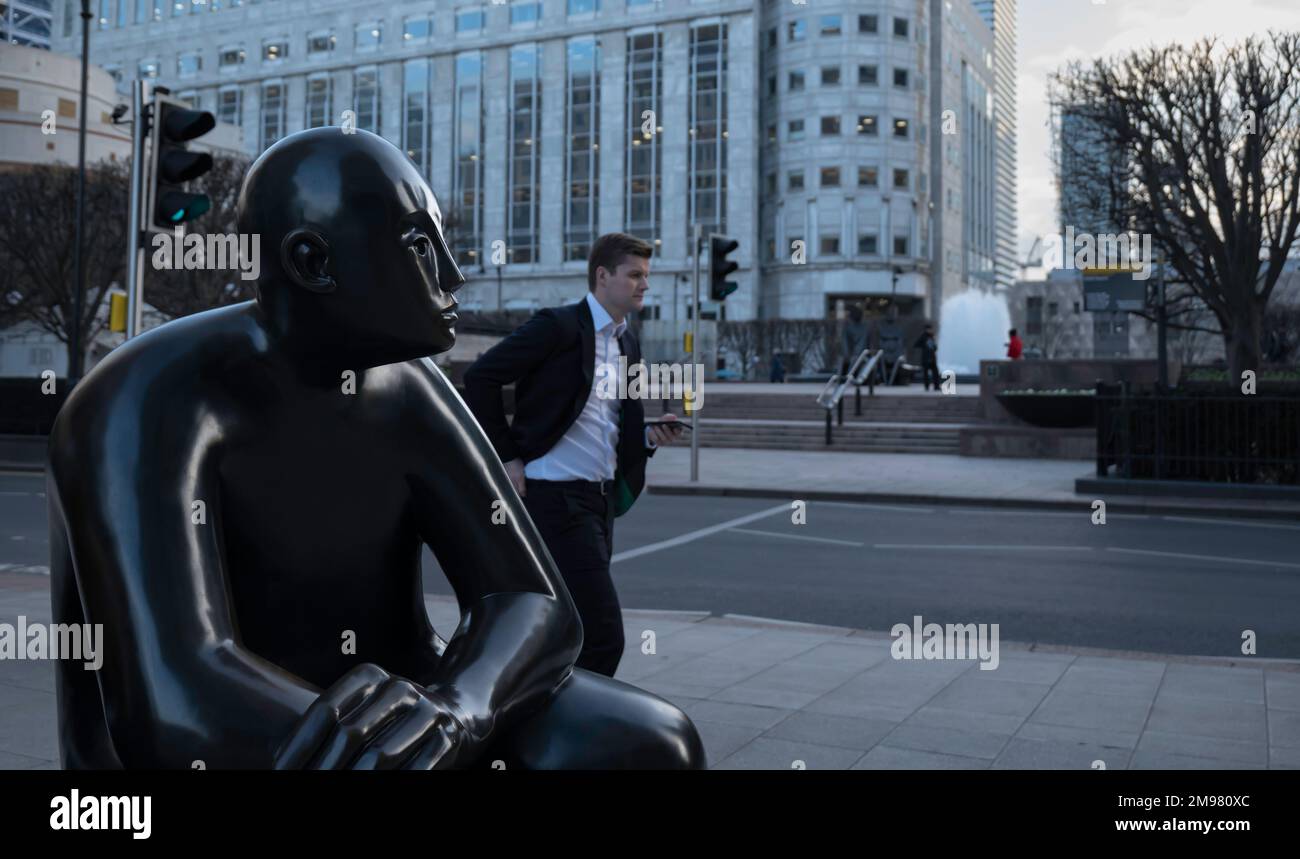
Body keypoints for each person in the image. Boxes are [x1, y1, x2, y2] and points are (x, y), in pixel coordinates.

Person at [47, 129, 703, 770]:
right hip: (235, 727)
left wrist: (459, 706)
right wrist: (363, 737)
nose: (453, 274)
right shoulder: (146, 398)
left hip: (408, 694)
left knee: (652, 741)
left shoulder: (409, 387)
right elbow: (176, 693)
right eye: (421, 245)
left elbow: (535, 601)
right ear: (314, 263)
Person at [463, 233, 684, 680]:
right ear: (603, 276)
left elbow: (608, 423)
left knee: (571, 626)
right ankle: (577, 725)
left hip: (599, 503)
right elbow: (481, 377)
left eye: (647, 276)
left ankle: (537, 714)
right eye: (635, 275)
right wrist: (507, 457)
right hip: (555, 500)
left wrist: (647, 438)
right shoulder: (559, 326)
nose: (644, 285)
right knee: (603, 634)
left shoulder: (628, 344)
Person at [914, 324, 941, 391]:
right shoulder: (923, 337)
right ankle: (927, 387)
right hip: (926, 358)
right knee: (926, 374)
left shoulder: (932, 336)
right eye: (929, 329)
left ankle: (936, 386)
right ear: (926, 330)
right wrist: (924, 346)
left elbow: (935, 348)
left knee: (935, 373)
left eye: (931, 329)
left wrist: (934, 346)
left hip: (932, 358)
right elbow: (916, 344)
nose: (930, 330)